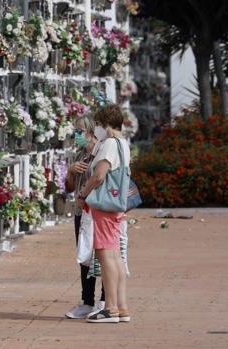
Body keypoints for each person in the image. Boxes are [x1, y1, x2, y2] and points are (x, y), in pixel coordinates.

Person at [77, 105, 131, 323]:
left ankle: (110, 308)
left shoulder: (109, 143)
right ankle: (121, 305)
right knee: (116, 254)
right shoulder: (123, 143)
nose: (96, 128)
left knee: (105, 254)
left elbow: (99, 175)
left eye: (98, 124)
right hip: (117, 204)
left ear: (106, 124)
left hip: (105, 205)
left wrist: (84, 192)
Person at [64, 115, 105, 319]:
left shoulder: (101, 152)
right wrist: (71, 172)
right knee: (84, 257)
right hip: (81, 212)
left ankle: (105, 300)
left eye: (80, 132)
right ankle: (87, 300)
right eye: (75, 132)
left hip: (98, 211)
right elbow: (69, 187)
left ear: (90, 132)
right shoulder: (78, 154)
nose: (77, 135)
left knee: (104, 255)